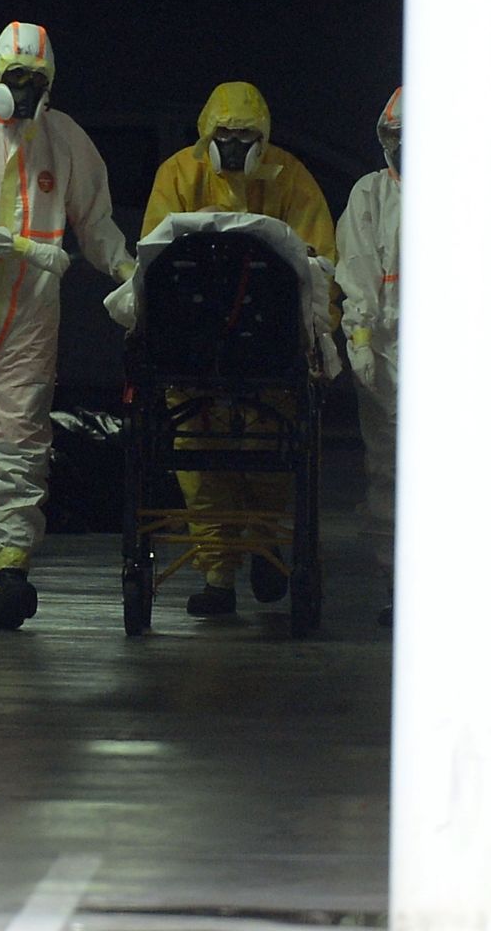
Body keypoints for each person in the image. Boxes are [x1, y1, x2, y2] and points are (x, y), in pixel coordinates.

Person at [0, 22, 135, 631]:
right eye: (18, 79)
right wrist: (20, 246)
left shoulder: (61, 138)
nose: (28, 91)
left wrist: (124, 268)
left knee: (19, 438)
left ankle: (12, 569)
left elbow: (94, 217)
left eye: (38, 81)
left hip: (30, 313)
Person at [140, 80, 337, 617]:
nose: (232, 144)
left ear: (263, 137)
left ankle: (265, 544)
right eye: (223, 134)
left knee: (267, 458)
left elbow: (321, 267)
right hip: (192, 351)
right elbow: (152, 262)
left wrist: (319, 336)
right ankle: (217, 576)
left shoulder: (290, 178)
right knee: (200, 467)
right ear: (206, 133)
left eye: (244, 135)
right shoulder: (178, 175)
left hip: (269, 353)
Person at [335, 88, 402, 622]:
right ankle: (394, 579)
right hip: (386, 347)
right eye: (396, 138)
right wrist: (359, 338)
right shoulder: (371, 195)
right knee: (389, 464)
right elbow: (357, 269)